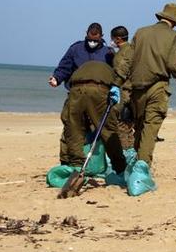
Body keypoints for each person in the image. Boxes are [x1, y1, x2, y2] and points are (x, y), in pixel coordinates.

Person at [119, 3, 176, 169]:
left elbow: (126, 60)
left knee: (140, 128)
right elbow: (173, 64)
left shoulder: (141, 32)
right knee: (150, 129)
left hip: (136, 90)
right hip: (157, 88)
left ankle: (134, 166)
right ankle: (141, 169)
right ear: (175, 22)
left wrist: (117, 83)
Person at [50, 22, 113, 166]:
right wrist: (56, 79)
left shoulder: (108, 53)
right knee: (71, 127)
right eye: (90, 39)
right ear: (86, 34)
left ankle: (98, 164)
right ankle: (66, 162)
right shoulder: (75, 49)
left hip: (98, 99)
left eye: (95, 40)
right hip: (76, 95)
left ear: (101, 37)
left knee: (100, 130)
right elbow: (64, 67)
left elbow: (114, 72)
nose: (92, 42)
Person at [62, 60, 127, 177]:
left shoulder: (84, 66)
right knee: (108, 131)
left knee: (74, 129)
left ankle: (76, 166)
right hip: (99, 89)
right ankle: (120, 168)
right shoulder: (112, 71)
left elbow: (66, 118)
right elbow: (116, 109)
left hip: (76, 89)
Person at [110, 25, 134, 149]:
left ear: (118, 39)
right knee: (129, 126)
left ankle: (125, 152)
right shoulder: (132, 49)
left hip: (124, 93)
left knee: (122, 126)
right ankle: (130, 152)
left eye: (112, 39)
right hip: (132, 93)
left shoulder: (122, 54)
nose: (112, 41)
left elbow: (119, 73)